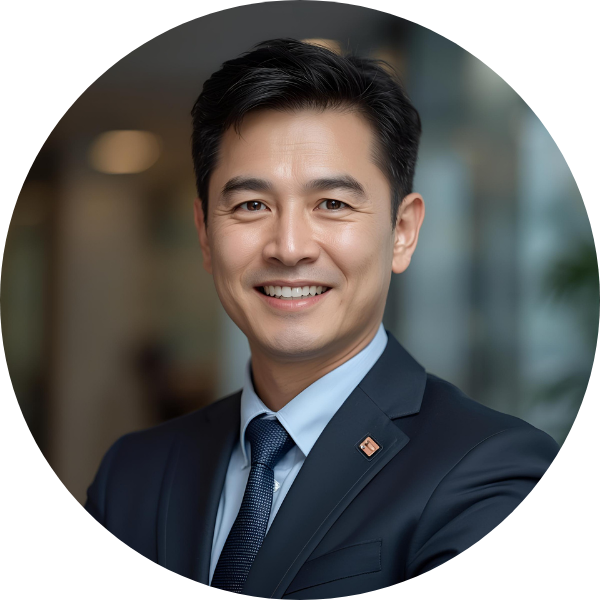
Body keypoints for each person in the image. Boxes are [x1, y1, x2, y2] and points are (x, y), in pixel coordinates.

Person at [84, 38, 560, 596]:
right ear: (205, 234)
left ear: (402, 232)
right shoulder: (133, 473)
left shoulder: (490, 470)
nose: (289, 248)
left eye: (332, 204)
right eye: (251, 205)